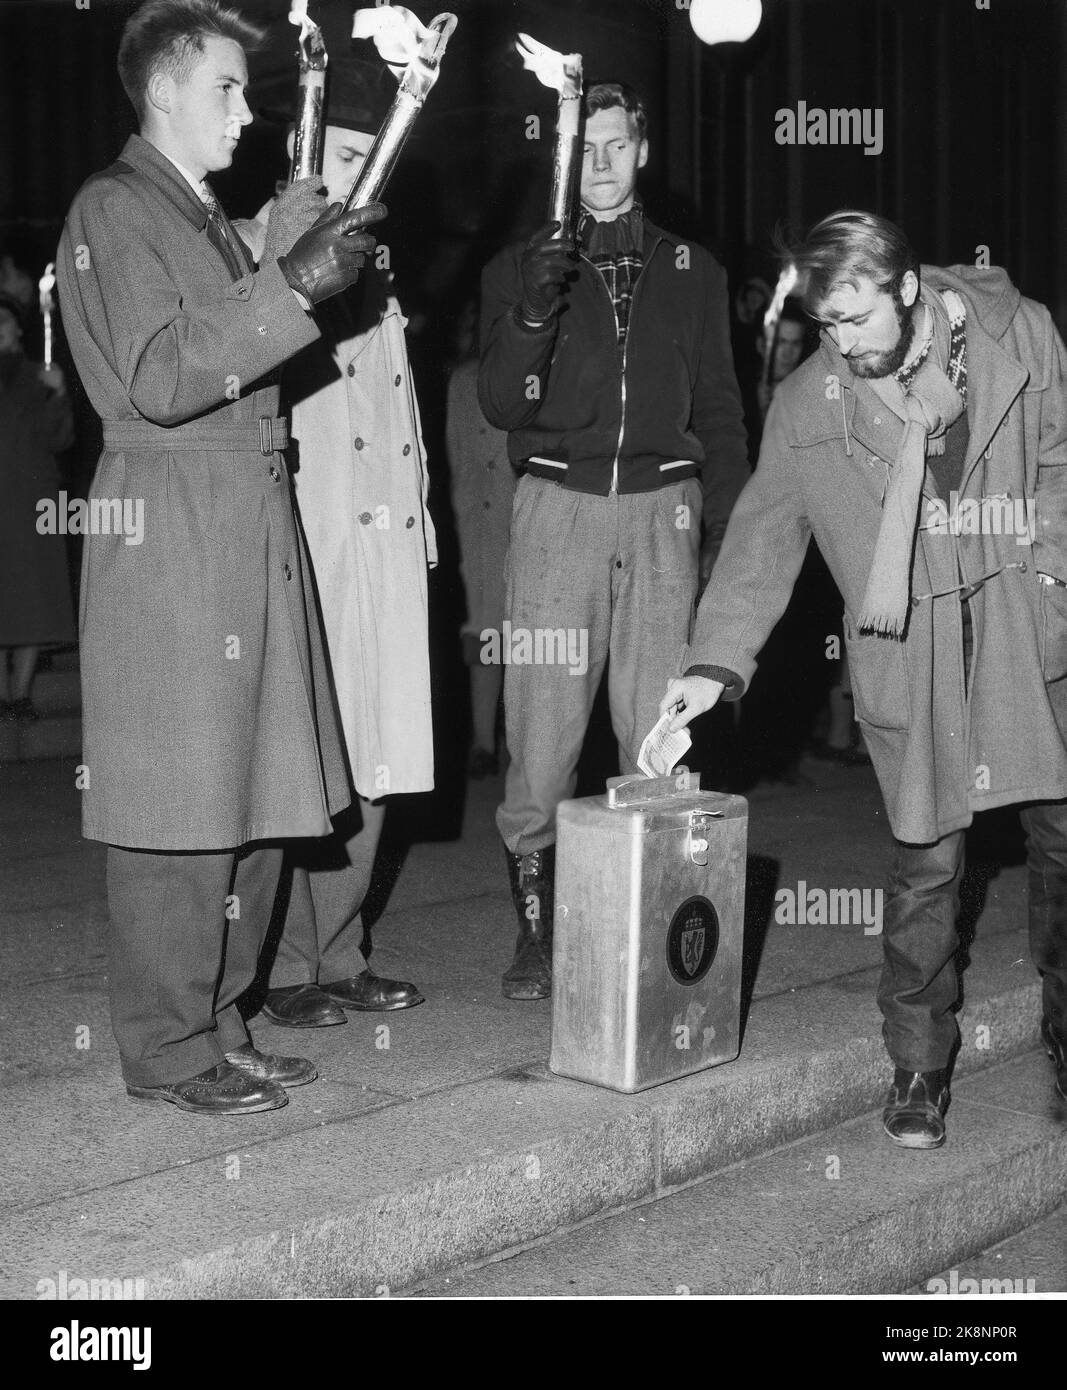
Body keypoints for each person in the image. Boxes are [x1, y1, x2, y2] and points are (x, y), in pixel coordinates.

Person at [662, 210, 1067, 1146]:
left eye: (857, 318)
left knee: (1058, 847)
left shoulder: (1018, 336)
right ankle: (917, 1067)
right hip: (910, 644)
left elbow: (1058, 457)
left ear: (909, 290)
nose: (841, 343)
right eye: (826, 324)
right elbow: (763, 535)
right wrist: (712, 666)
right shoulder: (813, 401)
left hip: (1022, 631)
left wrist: (1049, 567)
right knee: (926, 862)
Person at [56, 0, 383, 1115]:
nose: (250, 114)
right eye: (229, 91)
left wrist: (263, 252)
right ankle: (163, 1045)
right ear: (162, 91)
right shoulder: (113, 204)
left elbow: (218, 323)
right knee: (176, 801)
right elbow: (158, 372)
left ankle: (219, 1015)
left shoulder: (191, 212)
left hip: (238, 514)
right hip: (173, 521)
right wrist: (288, 284)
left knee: (248, 790)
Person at [479, 80, 749, 999]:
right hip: (557, 508)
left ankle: (660, 917)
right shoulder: (520, 263)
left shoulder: (696, 270)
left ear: (641, 149)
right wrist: (531, 306)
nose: (598, 162)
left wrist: (725, 533)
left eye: (614, 144)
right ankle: (535, 929)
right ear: (561, 156)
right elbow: (496, 402)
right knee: (543, 731)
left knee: (660, 733)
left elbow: (719, 410)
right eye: (581, 147)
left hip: (665, 509)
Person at [236, 60, 434, 1028]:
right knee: (306, 758)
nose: (367, 185)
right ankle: (279, 968)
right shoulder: (257, 253)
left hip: (384, 543)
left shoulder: (380, 266)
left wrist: (423, 528)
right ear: (301, 156)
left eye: (375, 163)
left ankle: (342, 949)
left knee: (379, 754)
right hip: (312, 538)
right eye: (348, 159)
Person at [446, 296, 516, 779]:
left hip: (521, 519)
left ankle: (521, 743)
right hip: (478, 524)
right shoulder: (463, 380)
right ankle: (483, 741)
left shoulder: (532, 377)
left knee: (531, 637)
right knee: (485, 631)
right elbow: (456, 454)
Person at [0, 292, 76, 721]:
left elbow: (60, 439)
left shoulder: (40, 376)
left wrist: (59, 392)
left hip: (30, 502)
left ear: (18, 328)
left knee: (30, 596)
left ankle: (20, 695)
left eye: (4, 321)